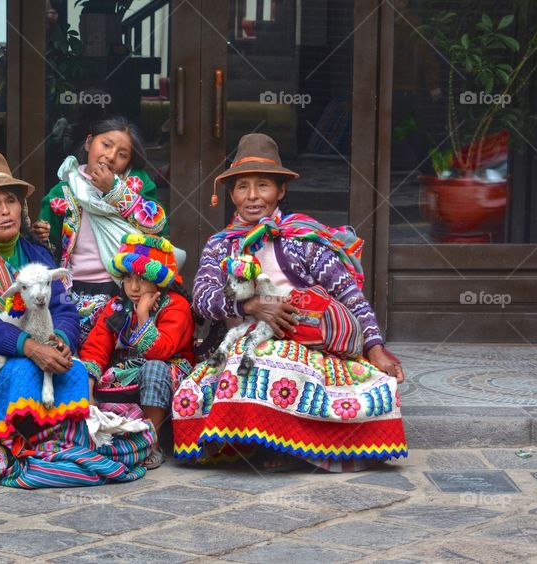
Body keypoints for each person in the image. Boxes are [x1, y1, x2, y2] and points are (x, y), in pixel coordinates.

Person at [0, 150, 152, 487]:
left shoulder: (34, 251)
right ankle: (18, 443)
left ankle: (58, 441)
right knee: (20, 369)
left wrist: (60, 339)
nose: (6, 211)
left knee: (72, 367)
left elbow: (62, 306)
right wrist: (31, 347)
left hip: (25, 344)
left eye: (11, 201)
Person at [173, 133, 407, 473]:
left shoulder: (303, 240)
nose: (252, 197)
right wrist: (249, 306)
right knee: (214, 381)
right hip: (240, 347)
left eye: (263, 185)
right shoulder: (220, 245)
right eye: (242, 187)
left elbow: (350, 296)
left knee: (275, 362)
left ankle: (284, 445)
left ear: (281, 191)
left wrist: (374, 347)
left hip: (308, 352)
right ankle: (261, 443)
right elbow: (202, 300)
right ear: (231, 194)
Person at [32, 116, 169, 343]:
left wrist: (114, 190)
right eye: (106, 145)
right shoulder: (64, 191)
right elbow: (50, 251)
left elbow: (157, 226)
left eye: (123, 155)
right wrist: (42, 235)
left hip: (122, 289)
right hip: (72, 290)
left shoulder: (136, 183)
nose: (111, 156)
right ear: (88, 143)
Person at [80, 234, 194, 470]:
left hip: (166, 371)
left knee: (153, 369)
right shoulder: (117, 306)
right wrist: (88, 385)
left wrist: (142, 315)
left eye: (142, 279)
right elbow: (96, 346)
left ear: (159, 281)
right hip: (127, 373)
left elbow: (160, 352)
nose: (133, 287)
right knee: (80, 371)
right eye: (128, 278)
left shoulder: (176, 306)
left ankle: (151, 443)